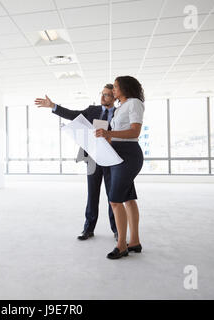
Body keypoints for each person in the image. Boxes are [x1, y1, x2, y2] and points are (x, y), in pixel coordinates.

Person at [34, 84, 118, 241]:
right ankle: (88, 229)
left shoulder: (119, 114)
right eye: (102, 94)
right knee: (92, 195)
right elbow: (72, 114)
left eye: (106, 95)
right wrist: (53, 106)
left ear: (114, 97)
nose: (102, 97)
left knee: (113, 197)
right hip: (93, 159)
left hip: (111, 160)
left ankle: (117, 230)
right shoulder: (92, 110)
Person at [95, 76, 145, 260]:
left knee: (115, 200)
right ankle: (135, 242)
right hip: (117, 154)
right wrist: (107, 138)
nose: (113, 90)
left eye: (116, 87)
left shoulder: (134, 103)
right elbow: (118, 134)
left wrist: (110, 133)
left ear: (125, 87)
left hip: (129, 154)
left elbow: (135, 131)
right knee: (128, 198)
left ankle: (121, 245)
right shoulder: (120, 108)